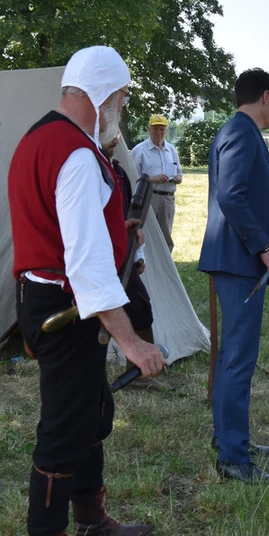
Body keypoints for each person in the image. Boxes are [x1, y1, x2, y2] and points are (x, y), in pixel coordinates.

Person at [9, 46, 167, 536]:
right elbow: (85, 262)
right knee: (63, 429)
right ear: (101, 94)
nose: (121, 106)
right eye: (120, 96)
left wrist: (123, 228)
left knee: (92, 412)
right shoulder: (74, 154)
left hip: (56, 302)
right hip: (64, 308)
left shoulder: (41, 138)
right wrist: (132, 341)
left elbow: (73, 229)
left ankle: (92, 518)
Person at [198, 68, 269, 484]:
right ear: (265, 97)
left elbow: (240, 196)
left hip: (238, 256)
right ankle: (234, 458)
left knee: (232, 359)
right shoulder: (241, 131)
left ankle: (229, 438)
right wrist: (263, 248)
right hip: (240, 262)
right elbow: (231, 194)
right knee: (238, 360)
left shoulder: (236, 130)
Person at [99, 134, 170, 392]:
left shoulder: (116, 172)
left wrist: (137, 254)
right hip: (95, 259)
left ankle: (138, 373)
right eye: (108, 136)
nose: (115, 140)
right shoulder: (85, 169)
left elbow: (132, 217)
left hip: (121, 254)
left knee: (140, 306)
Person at [131, 114, 183, 252]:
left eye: (162, 129)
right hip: (149, 196)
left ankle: (166, 268)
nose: (158, 133)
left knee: (166, 234)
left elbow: (180, 173)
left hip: (168, 197)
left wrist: (178, 178)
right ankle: (145, 266)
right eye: (155, 129)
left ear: (166, 130)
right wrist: (152, 178)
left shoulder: (171, 150)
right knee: (147, 233)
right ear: (149, 129)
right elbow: (132, 176)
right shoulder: (139, 150)